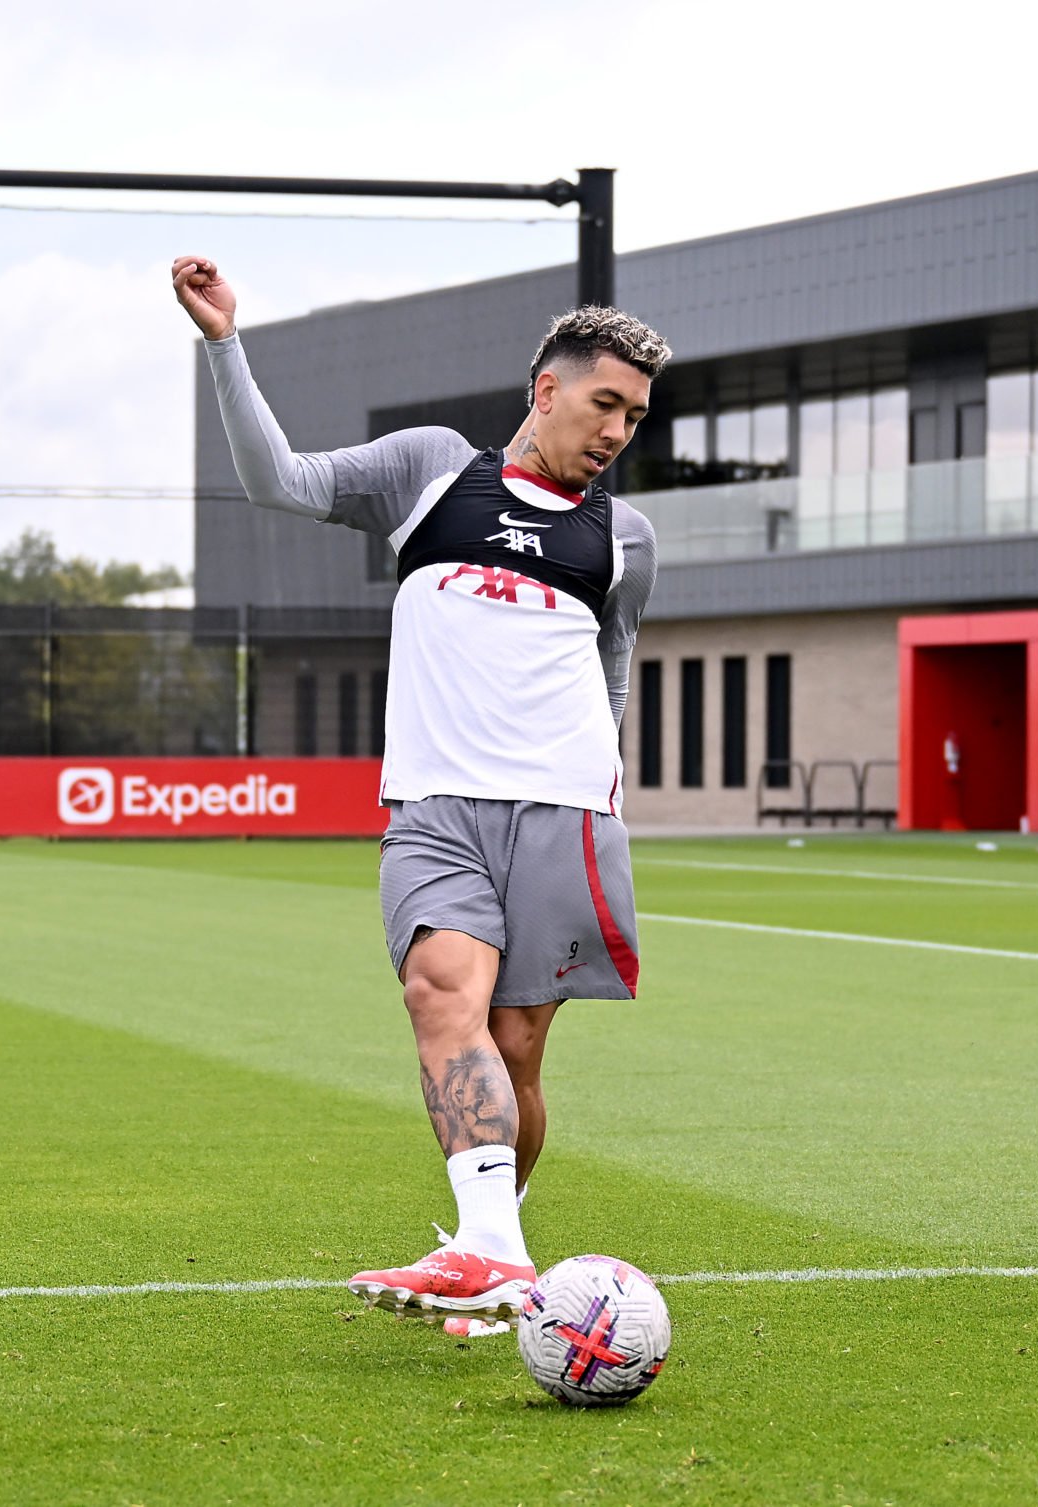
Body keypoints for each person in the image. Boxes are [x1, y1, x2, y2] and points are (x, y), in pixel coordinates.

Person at [171, 255, 669, 1328]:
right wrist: (223, 341)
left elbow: (611, 664)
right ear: (547, 388)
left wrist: (605, 781)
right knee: (440, 993)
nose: (618, 430)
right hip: (437, 805)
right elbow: (282, 482)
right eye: (604, 404)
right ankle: (491, 1248)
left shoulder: (624, 538)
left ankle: (499, 1248)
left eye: (634, 414)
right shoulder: (434, 472)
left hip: (567, 812)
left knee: (520, 1051)